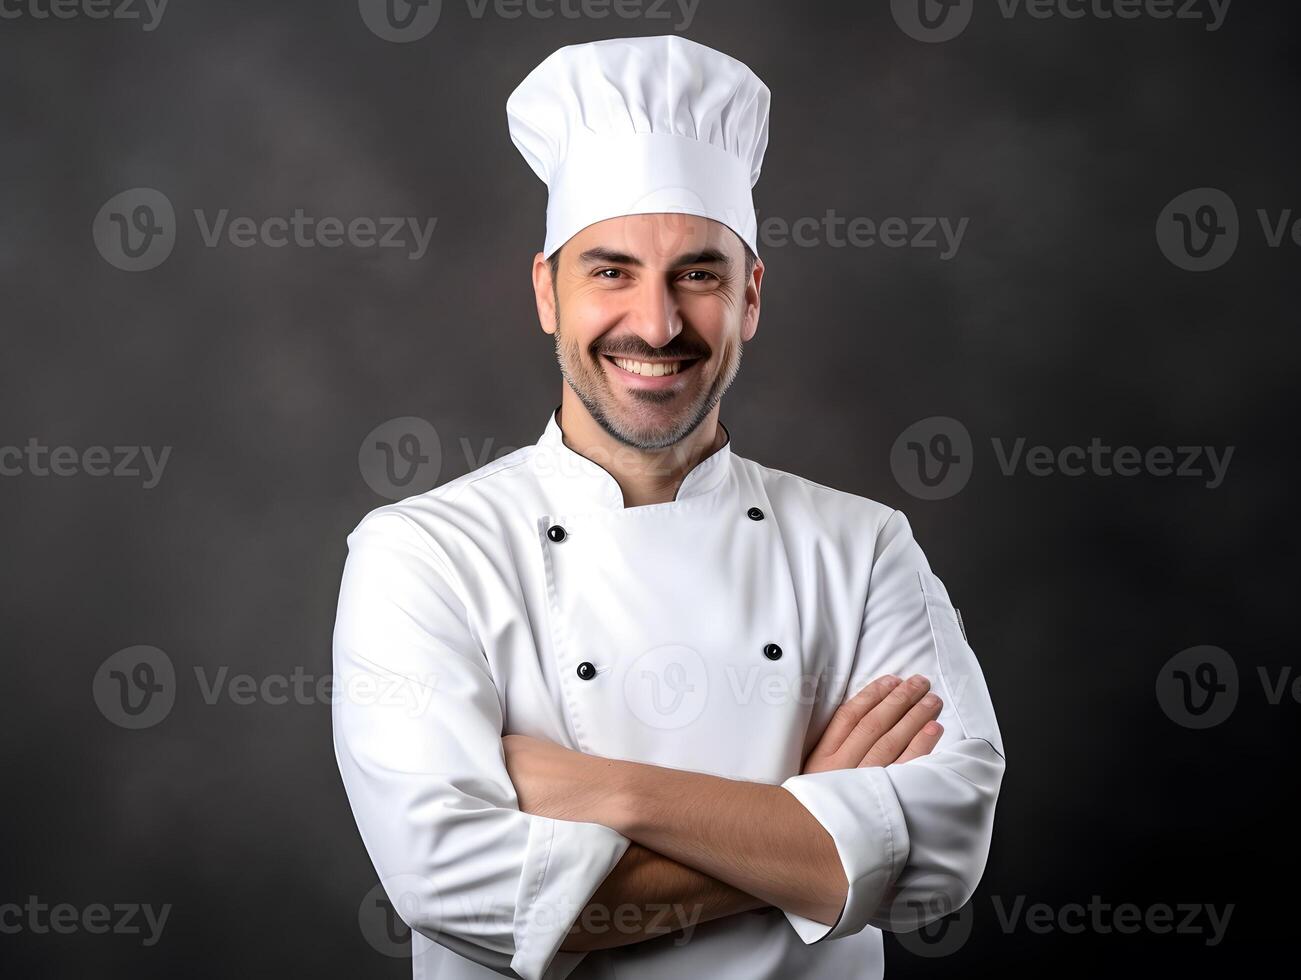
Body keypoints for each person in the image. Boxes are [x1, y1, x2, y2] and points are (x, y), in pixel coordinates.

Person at [332, 34, 1006, 980]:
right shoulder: (421, 554)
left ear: (751, 296)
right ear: (546, 294)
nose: (656, 324)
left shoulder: (862, 548)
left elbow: (944, 849)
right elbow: (450, 885)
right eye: (610, 270)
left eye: (698, 273)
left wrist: (614, 795)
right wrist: (818, 823)